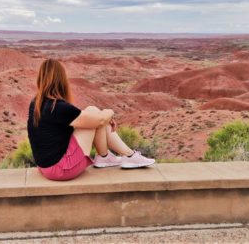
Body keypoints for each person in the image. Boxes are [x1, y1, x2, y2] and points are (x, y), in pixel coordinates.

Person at [27, 59, 155, 181]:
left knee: (93, 113)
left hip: (45, 167)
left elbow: (88, 119)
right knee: (95, 114)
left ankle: (111, 157)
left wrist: (102, 118)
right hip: (61, 169)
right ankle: (125, 156)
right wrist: (109, 113)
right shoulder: (57, 107)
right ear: (61, 80)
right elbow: (98, 121)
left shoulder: (37, 103)